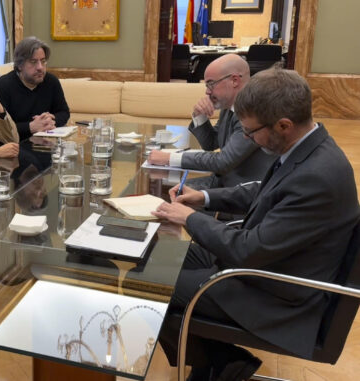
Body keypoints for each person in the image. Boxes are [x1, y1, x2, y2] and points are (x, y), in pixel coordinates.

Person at [151, 68, 360, 381]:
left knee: (151, 286)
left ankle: (224, 362)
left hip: (274, 293)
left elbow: (249, 251)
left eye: (250, 133)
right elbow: (262, 189)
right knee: (154, 261)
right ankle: (218, 361)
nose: (248, 139)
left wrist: (190, 219)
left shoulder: (318, 176)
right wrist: (204, 198)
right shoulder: (308, 147)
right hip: (266, 266)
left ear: (283, 125)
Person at [149, 54, 274, 190]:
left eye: (211, 84)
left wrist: (169, 158)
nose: (207, 91)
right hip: (223, 181)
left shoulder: (253, 111)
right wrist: (199, 116)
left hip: (242, 191)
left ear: (234, 81)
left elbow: (223, 161)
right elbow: (211, 143)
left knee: (169, 194)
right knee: (165, 191)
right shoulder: (229, 106)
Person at [0, 36, 70, 141]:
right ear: (20, 65)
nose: (40, 67)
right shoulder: (3, 85)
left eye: (43, 61)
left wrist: (50, 120)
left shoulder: (51, 81)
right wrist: (31, 127)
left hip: (46, 144)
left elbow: (64, 112)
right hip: (15, 146)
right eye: (33, 62)